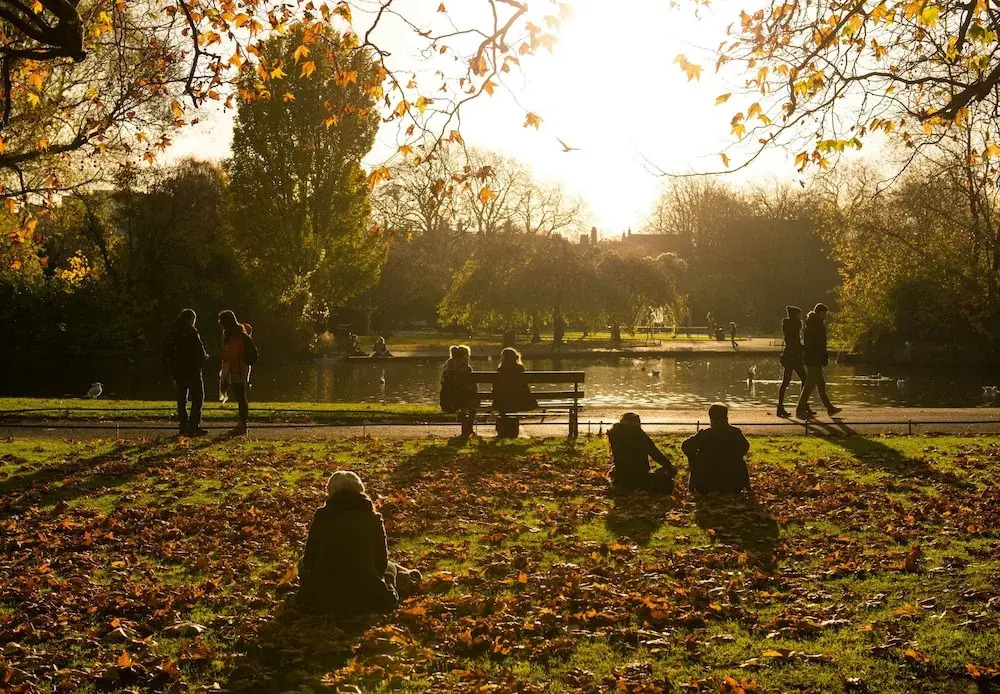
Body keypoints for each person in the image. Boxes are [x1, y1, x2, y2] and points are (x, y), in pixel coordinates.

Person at [297, 471, 421, 616]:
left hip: (320, 601)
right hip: (368, 600)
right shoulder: (373, 518)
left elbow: (308, 560)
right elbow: (381, 563)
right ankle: (403, 580)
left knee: (300, 563)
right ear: (361, 490)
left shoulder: (321, 516)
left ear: (330, 491)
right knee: (391, 567)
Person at [682, 403, 751, 494]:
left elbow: (685, 446)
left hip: (705, 484)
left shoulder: (704, 435)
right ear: (726, 417)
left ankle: (695, 485)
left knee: (696, 459)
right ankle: (746, 487)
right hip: (733, 484)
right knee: (740, 461)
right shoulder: (735, 433)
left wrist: (693, 458)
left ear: (711, 418)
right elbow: (745, 447)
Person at [162, 308, 209, 436]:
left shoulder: (173, 331)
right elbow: (199, 350)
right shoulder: (191, 331)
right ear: (191, 319)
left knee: (181, 399)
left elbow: (166, 350)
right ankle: (193, 425)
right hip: (192, 370)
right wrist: (204, 357)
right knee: (198, 397)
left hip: (178, 370)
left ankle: (183, 425)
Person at [607, 412, 676, 493]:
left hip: (621, 478)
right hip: (640, 478)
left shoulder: (615, 433)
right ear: (636, 422)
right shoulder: (638, 434)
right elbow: (655, 454)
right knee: (667, 477)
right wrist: (669, 466)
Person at [795, 303, 842, 419]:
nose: (825, 316)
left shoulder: (813, 324)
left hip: (814, 358)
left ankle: (829, 408)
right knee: (809, 385)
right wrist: (822, 355)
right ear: (820, 313)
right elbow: (817, 344)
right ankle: (800, 410)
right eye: (825, 313)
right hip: (814, 359)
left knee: (820, 384)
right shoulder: (816, 325)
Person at [219, 310, 258, 435]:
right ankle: (241, 424)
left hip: (239, 370)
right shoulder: (234, 334)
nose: (220, 324)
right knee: (240, 396)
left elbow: (233, 354)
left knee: (241, 397)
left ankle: (242, 424)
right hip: (235, 369)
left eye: (221, 322)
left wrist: (226, 363)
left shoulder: (237, 336)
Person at [491, 347, 537, 438]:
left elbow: (496, 387)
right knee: (511, 403)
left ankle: (502, 431)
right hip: (519, 400)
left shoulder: (501, 370)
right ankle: (513, 430)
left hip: (502, 400)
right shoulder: (520, 369)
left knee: (504, 403)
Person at [777, 305, 808, 418]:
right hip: (793, 357)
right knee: (805, 380)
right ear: (795, 315)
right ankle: (803, 405)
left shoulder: (789, 326)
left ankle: (780, 406)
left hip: (789, 357)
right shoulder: (794, 327)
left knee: (786, 382)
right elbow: (794, 343)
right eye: (799, 314)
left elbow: (793, 342)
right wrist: (803, 348)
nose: (801, 317)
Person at [440, 345, 478, 437]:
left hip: (449, 398)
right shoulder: (466, 368)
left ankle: (465, 428)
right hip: (463, 398)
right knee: (473, 401)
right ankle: (469, 427)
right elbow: (472, 386)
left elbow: (442, 382)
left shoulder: (447, 366)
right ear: (465, 356)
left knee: (464, 401)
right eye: (468, 355)